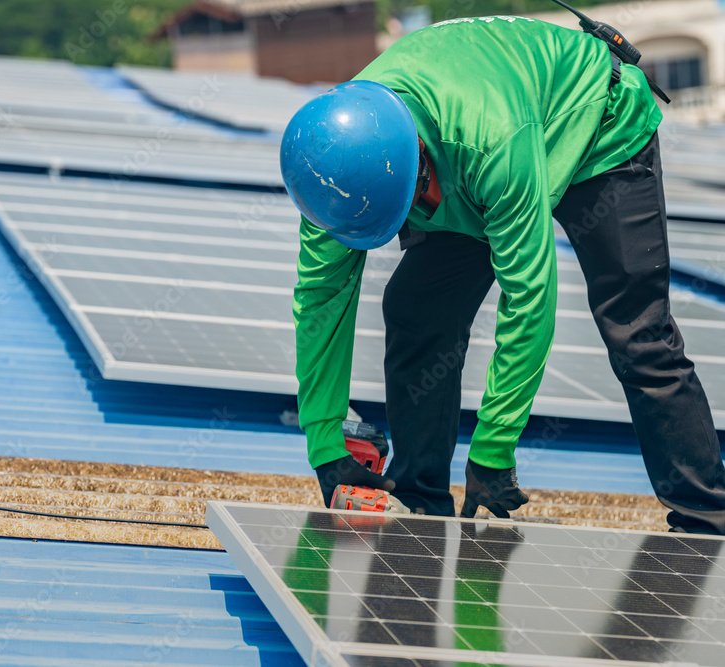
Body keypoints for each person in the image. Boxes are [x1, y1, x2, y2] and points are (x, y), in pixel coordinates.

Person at [282, 15, 725, 533]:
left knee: (636, 331)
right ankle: (420, 501)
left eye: (413, 204)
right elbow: (320, 302)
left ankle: (706, 516)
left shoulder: (490, 143)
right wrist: (324, 440)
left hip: (599, 127)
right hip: (475, 147)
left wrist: (494, 448)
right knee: (418, 309)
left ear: (419, 158)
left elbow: (529, 297)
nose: (415, 218)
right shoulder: (334, 177)